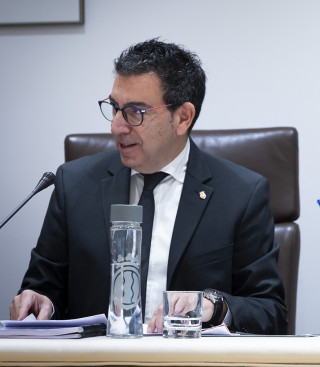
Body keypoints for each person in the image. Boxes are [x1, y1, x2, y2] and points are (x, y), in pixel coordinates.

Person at [10, 38, 287, 334]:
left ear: (183, 118)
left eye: (135, 112)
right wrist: (40, 302)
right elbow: (43, 289)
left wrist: (215, 305)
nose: (117, 126)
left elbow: (271, 312)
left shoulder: (241, 194)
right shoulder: (74, 184)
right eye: (115, 107)